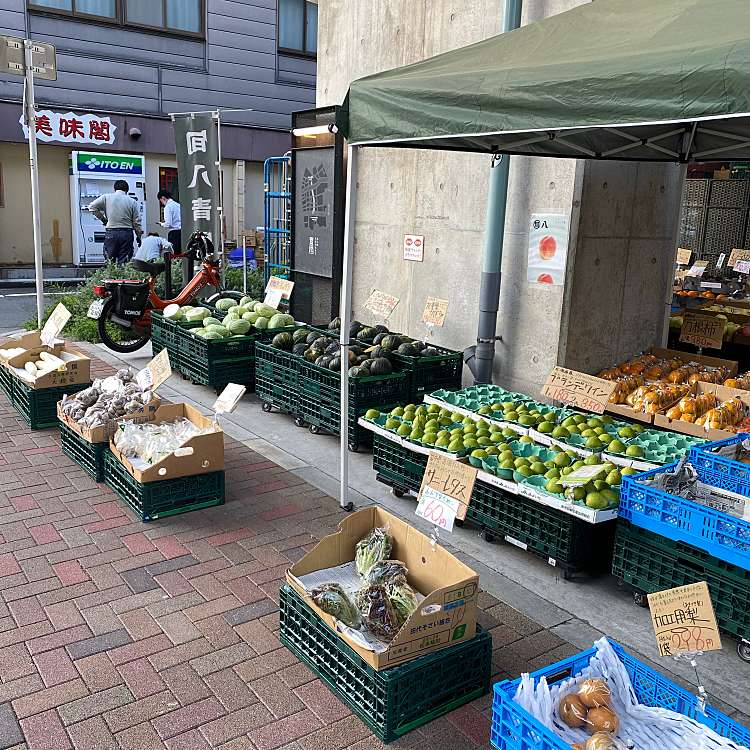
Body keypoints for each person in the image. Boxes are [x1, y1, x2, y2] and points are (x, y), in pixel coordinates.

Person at [88, 180, 142, 264]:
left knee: (110, 261)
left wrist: (104, 220)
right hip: (126, 233)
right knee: (124, 261)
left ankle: (110, 276)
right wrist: (139, 236)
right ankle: (122, 276)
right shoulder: (132, 201)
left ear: (115, 189)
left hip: (111, 232)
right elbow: (136, 222)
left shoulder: (105, 197)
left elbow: (92, 207)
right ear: (127, 190)